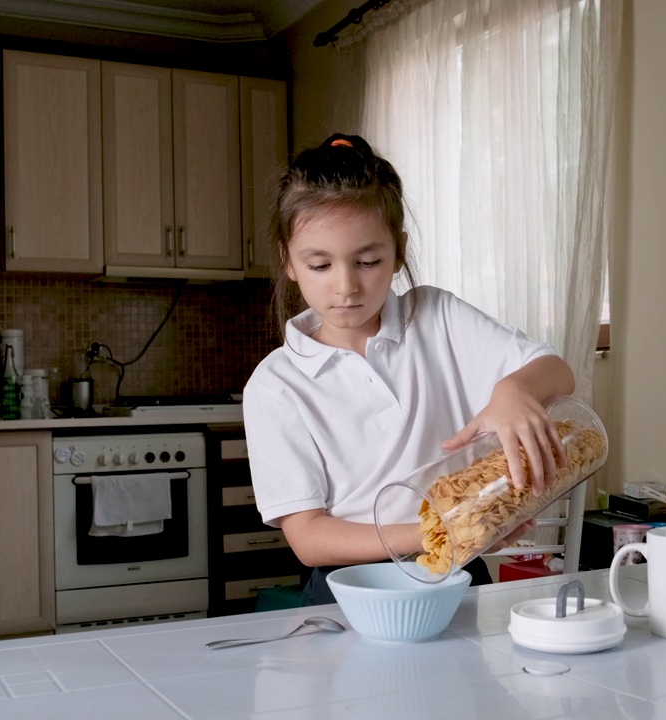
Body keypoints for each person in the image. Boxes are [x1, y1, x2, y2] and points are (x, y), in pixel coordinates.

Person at [243, 133, 576, 606]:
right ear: (288, 262)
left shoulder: (436, 317)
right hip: (349, 593)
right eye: (319, 264)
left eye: (368, 261)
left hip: (457, 577)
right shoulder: (276, 385)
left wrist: (514, 390)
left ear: (398, 251)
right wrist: (442, 529)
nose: (346, 286)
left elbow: (557, 371)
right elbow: (309, 539)